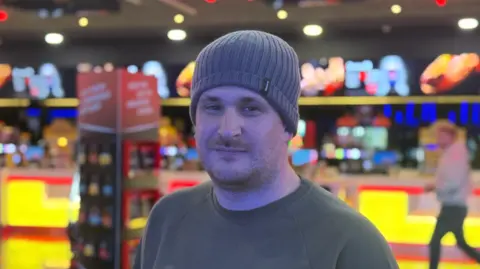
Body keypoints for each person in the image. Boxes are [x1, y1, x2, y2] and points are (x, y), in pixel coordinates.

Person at [133, 30, 398, 269]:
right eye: (212, 107)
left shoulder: (352, 244)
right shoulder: (166, 219)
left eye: (250, 108)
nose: (228, 129)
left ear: (287, 126)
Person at [426, 124, 480, 269]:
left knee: (435, 241)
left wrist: (436, 187)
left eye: (441, 136)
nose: (438, 139)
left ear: (450, 137)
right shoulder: (452, 153)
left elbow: (453, 182)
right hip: (454, 206)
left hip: (453, 207)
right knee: (461, 243)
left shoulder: (455, 155)